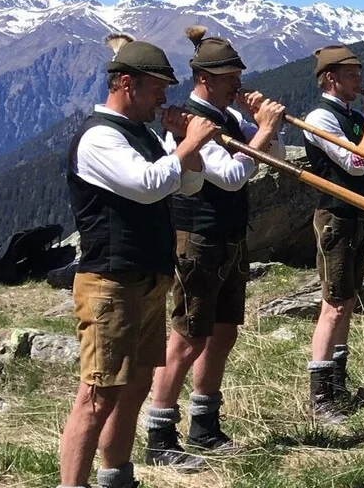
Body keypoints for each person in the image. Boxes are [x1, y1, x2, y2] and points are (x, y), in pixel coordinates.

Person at [59, 37, 218, 488]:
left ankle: (116, 475)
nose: (163, 97)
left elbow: (183, 187)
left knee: (134, 385)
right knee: (96, 394)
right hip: (110, 282)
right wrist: (188, 145)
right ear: (126, 84)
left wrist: (186, 146)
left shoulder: (143, 133)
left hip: (147, 278)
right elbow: (147, 184)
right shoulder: (99, 137)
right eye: (156, 88)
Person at [142, 26, 284, 468]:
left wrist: (265, 128)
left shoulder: (228, 119)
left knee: (223, 331)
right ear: (205, 78)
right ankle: (160, 433)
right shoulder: (189, 123)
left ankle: (205, 425)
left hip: (229, 236)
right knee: (187, 336)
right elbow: (232, 175)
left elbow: (270, 155)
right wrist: (263, 129)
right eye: (229, 77)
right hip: (198, 238)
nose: (237, 83)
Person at [295, 44, 364, 423]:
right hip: (336, 216)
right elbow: (356, 163)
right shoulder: (319, 118)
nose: (359, 81)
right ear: (331, 79)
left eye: (359, 73)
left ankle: (338, 387)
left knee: (349, 299)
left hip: (360, 214)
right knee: (333, 303)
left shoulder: (351, 115)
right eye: (352, 75)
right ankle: (320, 398)